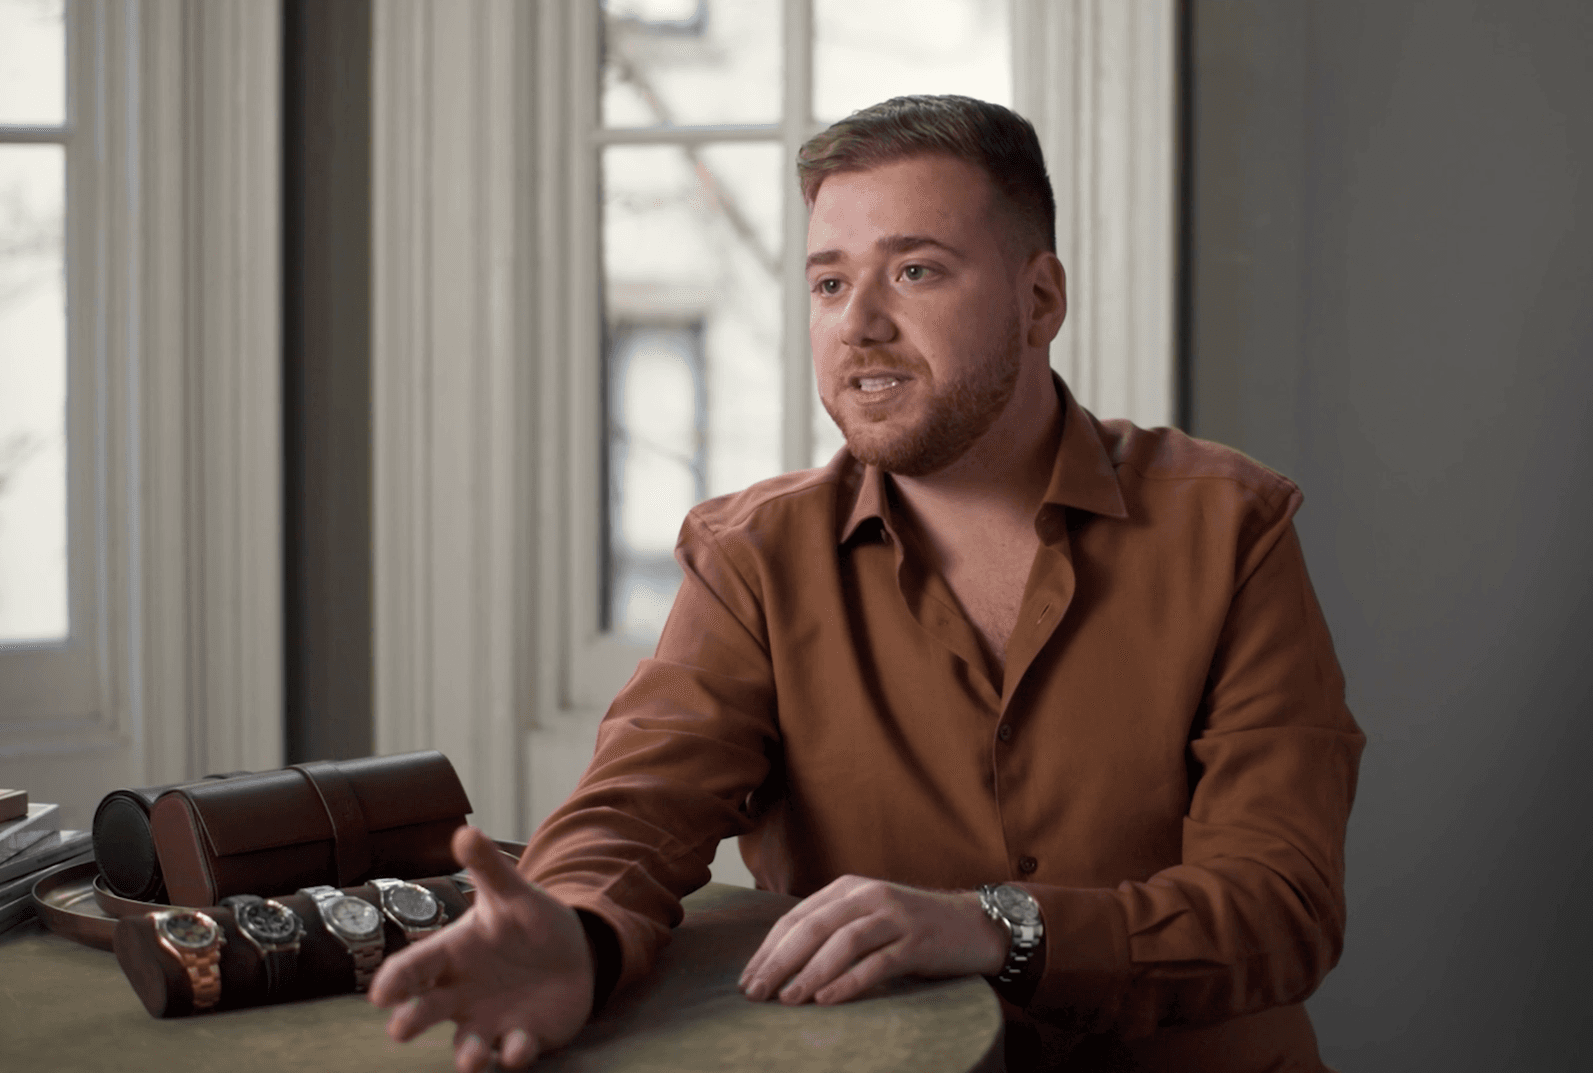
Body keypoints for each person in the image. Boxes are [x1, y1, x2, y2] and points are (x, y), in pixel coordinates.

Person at [369, 94, 1364, 1073]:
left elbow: (1282, 904)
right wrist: (577, 935)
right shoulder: (752, 558)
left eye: (916, 270)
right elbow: (635, 810)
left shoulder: (1231, 525)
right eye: (831, 284)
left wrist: (998, 928)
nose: (861, 325)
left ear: (1040, 300)